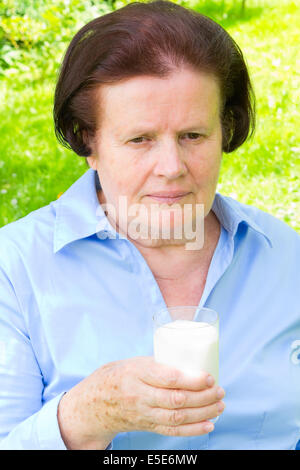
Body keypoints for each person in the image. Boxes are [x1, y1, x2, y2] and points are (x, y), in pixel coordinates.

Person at [0, 0, 299, 450]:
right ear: (89, 142)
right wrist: (84, 414)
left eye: (192, 136)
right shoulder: (15, 268)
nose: (171, 167)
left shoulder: (285, 257)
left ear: (226, 130)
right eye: (140, 139)